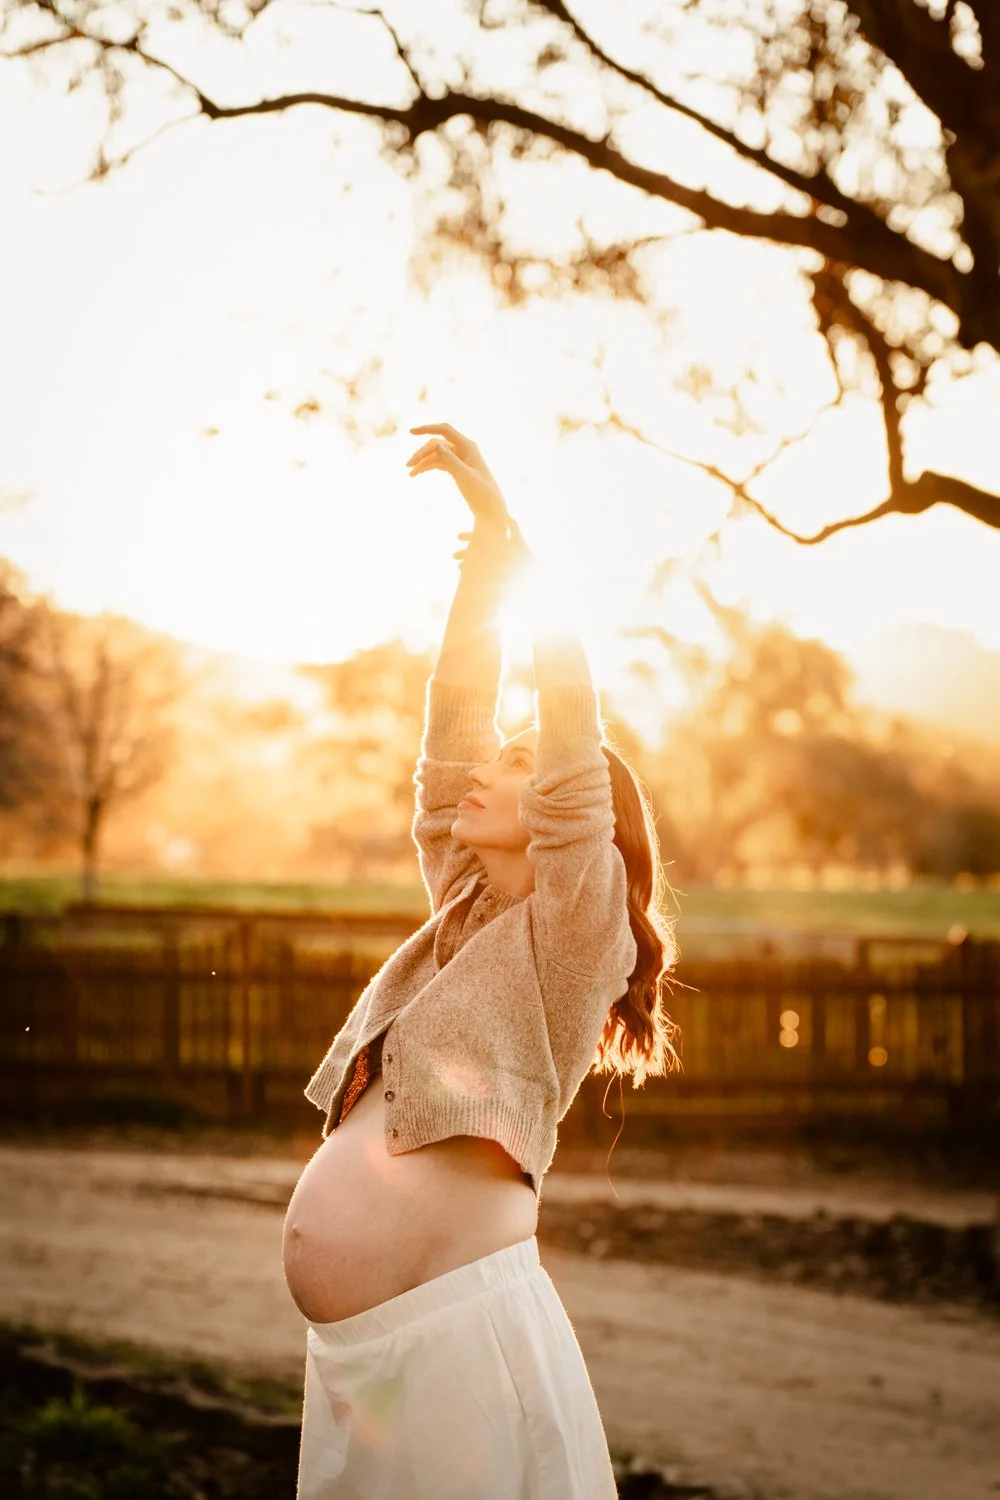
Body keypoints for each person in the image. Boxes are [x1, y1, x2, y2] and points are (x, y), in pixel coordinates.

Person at [283, 422, 679, 1499]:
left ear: (572, 822)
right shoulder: (457, 907)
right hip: (368, 1356)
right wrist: (480, 569)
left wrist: (521, 541)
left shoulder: (571, 940)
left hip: (450, 1341)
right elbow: (452, 725)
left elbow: (570, 752)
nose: (487, 769)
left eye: (520, 765)